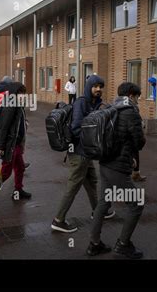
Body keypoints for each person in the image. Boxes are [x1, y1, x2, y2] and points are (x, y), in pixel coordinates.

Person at [87, 82, 146, 259]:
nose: (137, 100)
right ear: (131, 95)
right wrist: (140, 131)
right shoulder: (131, 112)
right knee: (136, 205)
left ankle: (94, 244)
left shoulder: (109, 107)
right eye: (137, 96)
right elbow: (139, 142)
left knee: (103, 204)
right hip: (119, 167)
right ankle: (123, 244)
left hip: (104, 162)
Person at [51, 75, 115, 234]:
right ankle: (58, 220)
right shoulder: (81, 102)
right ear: (89, 87)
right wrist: (96, 138)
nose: (99, 89)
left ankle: (98, 211)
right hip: (79, 153)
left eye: (101, 86)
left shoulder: (96, 103)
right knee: (73, 185)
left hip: (86, 152)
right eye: (95, 86)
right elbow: (76, 128)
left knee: (92, 181)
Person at [0, 81, 32, 200]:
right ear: (14, 93)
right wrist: (1, 147)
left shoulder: (16, 104)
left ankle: (18, 190)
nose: (23, 95)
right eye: (21, 93)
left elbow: (16, 123)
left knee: (20, 167)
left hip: (15, 143)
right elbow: (4, 128)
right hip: (10, 145)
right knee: (6, 172)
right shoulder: (10, 106)